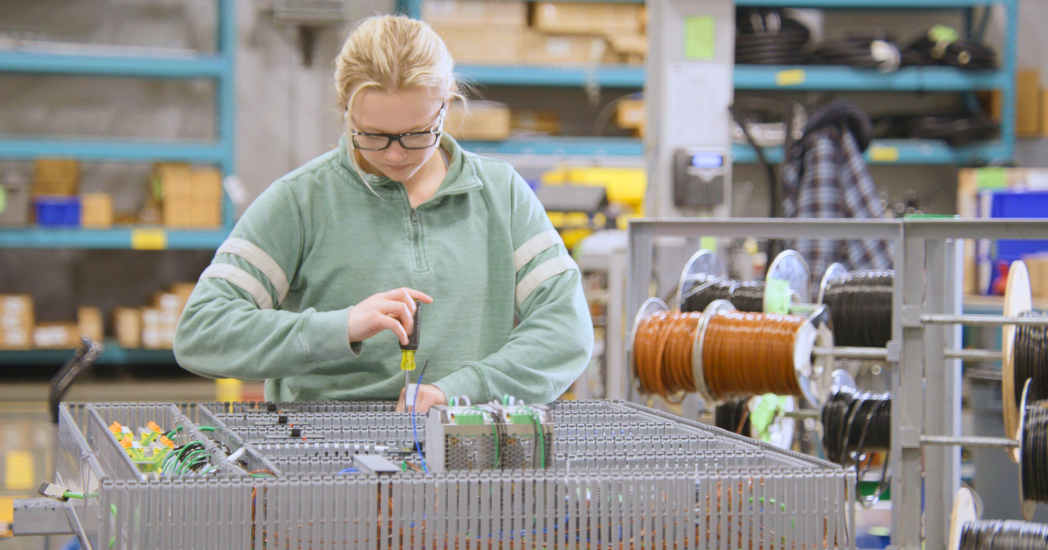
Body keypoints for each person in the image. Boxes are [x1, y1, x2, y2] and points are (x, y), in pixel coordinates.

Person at [174, 14, 593, 412]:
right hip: (324, 461)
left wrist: (460, 390)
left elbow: (566, 331)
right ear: (344, 110)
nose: (394, 155)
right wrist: (340, 327)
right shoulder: (301, 202)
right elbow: (202, 332)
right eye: (372, 135)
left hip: (463, 452)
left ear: (447, 104)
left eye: (415, 134)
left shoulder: (502, 195)